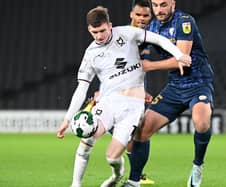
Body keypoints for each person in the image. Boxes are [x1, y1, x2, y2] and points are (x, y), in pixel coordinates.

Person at [56, 5, 191, 187]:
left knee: (112, 157)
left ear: (110, 25)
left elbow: (158, 39)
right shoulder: (90, 55)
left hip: (132, 106)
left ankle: (116, 176)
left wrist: (179, 54)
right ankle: (75, 184)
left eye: (102, 30)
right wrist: (67, 118)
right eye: (94, 32)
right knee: (87, 137)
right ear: (89, 29)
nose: (99, 36)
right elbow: (81, 88)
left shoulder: (127, 34)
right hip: (109, 102)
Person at [121, 0, 214, 187]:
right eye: (155, 5)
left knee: (201, 122)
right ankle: (134, 181)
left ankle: (197, 166)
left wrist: (150, 66)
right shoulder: (152, 26)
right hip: (174, 87)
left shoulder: (184, 21)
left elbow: (183, 60)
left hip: (198, 82)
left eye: (163, 4)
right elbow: (140, 55)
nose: (159, 10)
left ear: (172, 3)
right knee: (141, 132)